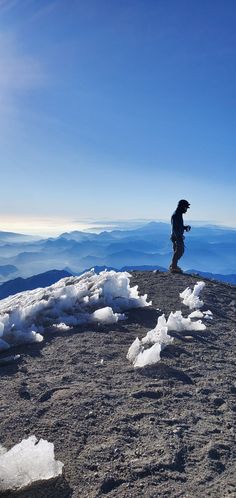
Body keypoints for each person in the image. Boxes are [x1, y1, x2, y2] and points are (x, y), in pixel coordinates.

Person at [169, 199, 191, 273]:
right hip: (176, 237)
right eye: (185, 208)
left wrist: (185, 227)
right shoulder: (176, 215)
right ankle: (174, 267)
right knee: (179, 251)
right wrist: (179, 236)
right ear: (181, 207)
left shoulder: (178, 214)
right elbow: (175, 228)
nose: (186, 210)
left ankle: (173, 265)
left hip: (176, 236)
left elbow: (178, 226)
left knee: (177, 251)